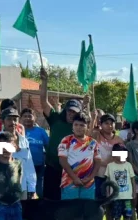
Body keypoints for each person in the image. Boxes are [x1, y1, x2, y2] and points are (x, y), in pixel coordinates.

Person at [38, 68, 86, 200]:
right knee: (50, 200)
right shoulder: (55, 119)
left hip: (72, 170)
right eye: (69, 111)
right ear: (65, 110)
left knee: (67, 202)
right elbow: (43, 102)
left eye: (74, 112)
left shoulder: (79, 126)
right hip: (52, 168)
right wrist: (45, 81)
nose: (71, 114)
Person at [58, 113, 99, 200]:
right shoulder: (66, 140)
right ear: (72, 126)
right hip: (69, 182)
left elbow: (98, 162)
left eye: (82, 125)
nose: (78, 127)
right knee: (70, 208)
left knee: (87, 208)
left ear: (87, 126)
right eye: (76, 125)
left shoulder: (93, 142)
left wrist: (90, 177)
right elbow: (62, 160)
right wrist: (75, 178)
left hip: (88, 183)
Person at [1, 108, 36, 200]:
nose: (13, 122)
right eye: (9, 119)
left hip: (22, 186)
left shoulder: (24, 141)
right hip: (2, 188)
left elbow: (29, 166)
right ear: (3, 121)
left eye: (15, 119)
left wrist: (32, 188)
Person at [105, 144, 136, 220]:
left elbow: (132, 180)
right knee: (117, 216)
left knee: (127, 215)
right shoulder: (110, 166)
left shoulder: (128, 165)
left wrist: (134, 192)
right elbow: (107, 181)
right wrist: (108, 193)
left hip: (127, 197)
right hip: (115, 197)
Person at [91, 114, 123, 201]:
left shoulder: (118, 139)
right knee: (98, 200)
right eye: (106, 123)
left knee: (111, 201)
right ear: (100, 124)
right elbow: (87, 141)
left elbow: (123, 158)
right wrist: (93, 119)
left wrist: (110, 161)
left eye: (111, 123)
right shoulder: (96, 136)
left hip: (113, 175)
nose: (109, 126)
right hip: (97, 175)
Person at [22, 108, 49, 195]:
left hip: (38, 165)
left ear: (35, 117)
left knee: (38, 190)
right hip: (22, 166)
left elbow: (48, 147)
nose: (27, 118)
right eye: (25, 116)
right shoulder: (18, 131)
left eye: (30, 116)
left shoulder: (41, 131)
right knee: (24, 190)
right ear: (21, 118)